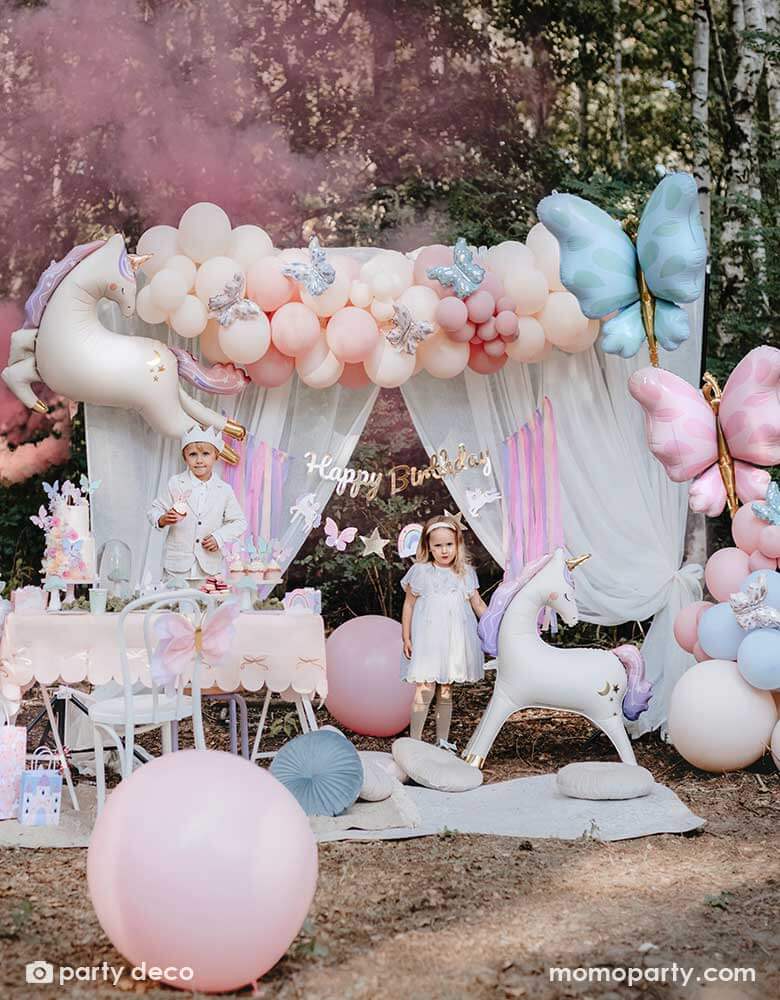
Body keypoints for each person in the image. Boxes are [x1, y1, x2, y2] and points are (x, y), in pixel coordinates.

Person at [400, 514, 487, 748]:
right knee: (425, 687)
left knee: (446, 690)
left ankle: (443, 742)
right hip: (429, 641)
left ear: (458, 544)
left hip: (454, 640)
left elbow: (477, 604)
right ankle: (414, 742)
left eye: (449, 544)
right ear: (428, 546)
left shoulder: (465, 572)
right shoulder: (421, 571)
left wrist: (494, 626)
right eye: (438, 546)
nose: (444, 550)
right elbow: (409, 604)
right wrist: (406, 636)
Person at [148, 424, 247, 586]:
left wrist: (219, 537)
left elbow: (239, 522)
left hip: (209, 567)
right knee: (176, 606)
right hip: (176, 567)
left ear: (216, 456)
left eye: (205, 454)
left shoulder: (224, 490)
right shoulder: (176, 483)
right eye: (193, 454)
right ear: (185, 458)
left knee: (206, 606)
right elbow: (154, 510)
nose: (199, 460)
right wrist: (163, 519)